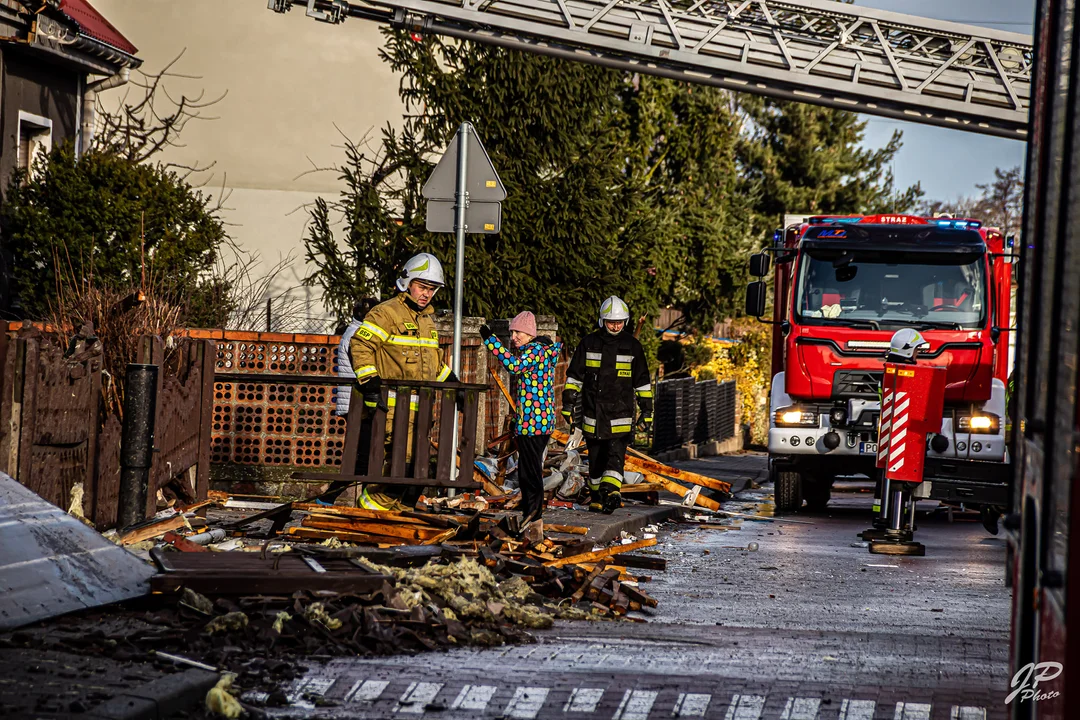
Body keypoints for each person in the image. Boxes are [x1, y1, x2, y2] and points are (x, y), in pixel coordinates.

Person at [347, 253, 455, 511]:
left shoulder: (428, 321)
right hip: (393, 408)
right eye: (422, 287)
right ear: (407, 282)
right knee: (404, 463)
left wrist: (451, 382)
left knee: (421, 467)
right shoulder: (386, 313)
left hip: (422, 410)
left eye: (431, 289)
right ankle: (372, 504)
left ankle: (395, 512)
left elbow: (434, 362)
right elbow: (361, 344)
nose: (426, 294)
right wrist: (369, 379)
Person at [561, 296, 652, 514]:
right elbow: (574, 377)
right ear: (602, 321)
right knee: (596, 460)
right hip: (593, 415)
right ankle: (597, 497)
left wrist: (647, 411)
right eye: (611, 322)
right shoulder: (588, 343)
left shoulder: (632, 346)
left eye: (619, 322)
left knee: (615, 456)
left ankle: (612, 492)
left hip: (620, 415)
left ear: (626, 322)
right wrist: (568, 404)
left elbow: (642, 382)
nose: (615, 325)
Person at [479, 312, 562, 539]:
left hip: (534, 423)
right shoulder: (540, 351)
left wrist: (491, 340)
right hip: (536, 422)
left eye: (518, 332)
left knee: (530, 472)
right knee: (529, 471)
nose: (514, 337)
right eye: (512, 332)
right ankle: (532, 518)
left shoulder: (534, 351)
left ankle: (534, 519)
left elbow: (514, 367)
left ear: (530, 334)